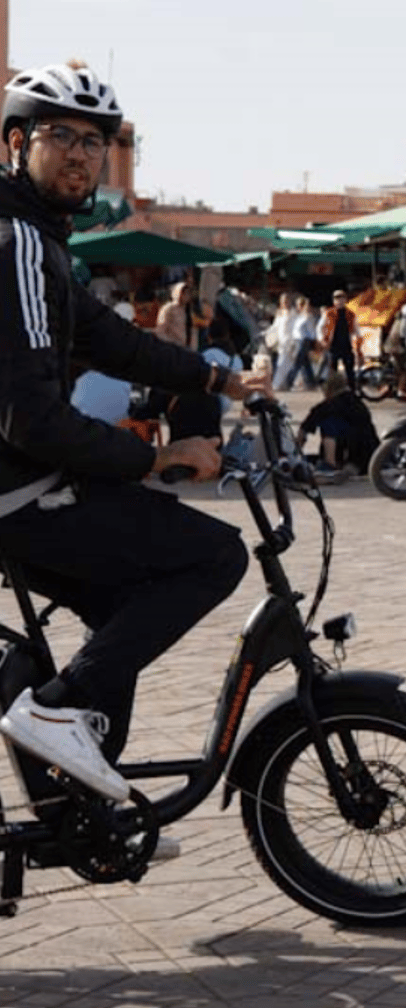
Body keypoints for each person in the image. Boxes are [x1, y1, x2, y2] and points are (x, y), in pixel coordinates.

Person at [0, 61, 270, 805]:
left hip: (24, 487)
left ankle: (78, 808)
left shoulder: (42, 243)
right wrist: (154, 457)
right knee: (213, 556)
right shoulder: (17, 242)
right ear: (16, 142)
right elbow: (30, 418)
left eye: (96, 141)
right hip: (18, 492)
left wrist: (218, 380)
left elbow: (114, 343)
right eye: (62, 136)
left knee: (123, 609)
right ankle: (54, 712)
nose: (83, 154)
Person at [297, 370, 379, 478]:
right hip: (370, 456)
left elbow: (303, 430)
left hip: (348, 457)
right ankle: (342, 466)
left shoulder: (326, 407)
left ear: (329, 388)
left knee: (329, 424)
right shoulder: (358, 403)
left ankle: (330, 465)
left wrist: (295, 454)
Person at [320, 289, 360, 393]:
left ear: (345, 300)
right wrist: (322, 340)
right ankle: (332, 391)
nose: (339, 301)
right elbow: (320, 327)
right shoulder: (328, 313)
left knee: (350, 370)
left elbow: (356, 329)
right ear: (333, 301)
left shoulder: (350, 314)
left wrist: (358, 339)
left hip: (346, 344)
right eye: (337, 298)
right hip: (333, 345)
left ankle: (352, 391)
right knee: (333, 371)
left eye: (342, 298)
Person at [283, 295, 318, 390]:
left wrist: (313, 343)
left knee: (297, 363)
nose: (297, 307)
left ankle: (288, 382)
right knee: (305, 364)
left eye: (298, 305)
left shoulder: (308, 317)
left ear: (302, 305)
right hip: (298, 341)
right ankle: (311, 383)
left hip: (304, 341)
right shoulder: (299, 316)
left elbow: (312, 332)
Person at [154, 280, 199, 351]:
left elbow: (193, 332)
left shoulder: (190, 311)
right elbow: (160, 331)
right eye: (183, 293)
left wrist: (193, 350)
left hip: (187, 351)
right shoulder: (168, 309)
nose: (186, 295)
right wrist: (171, 345)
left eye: (188, 293)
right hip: (172, 350)